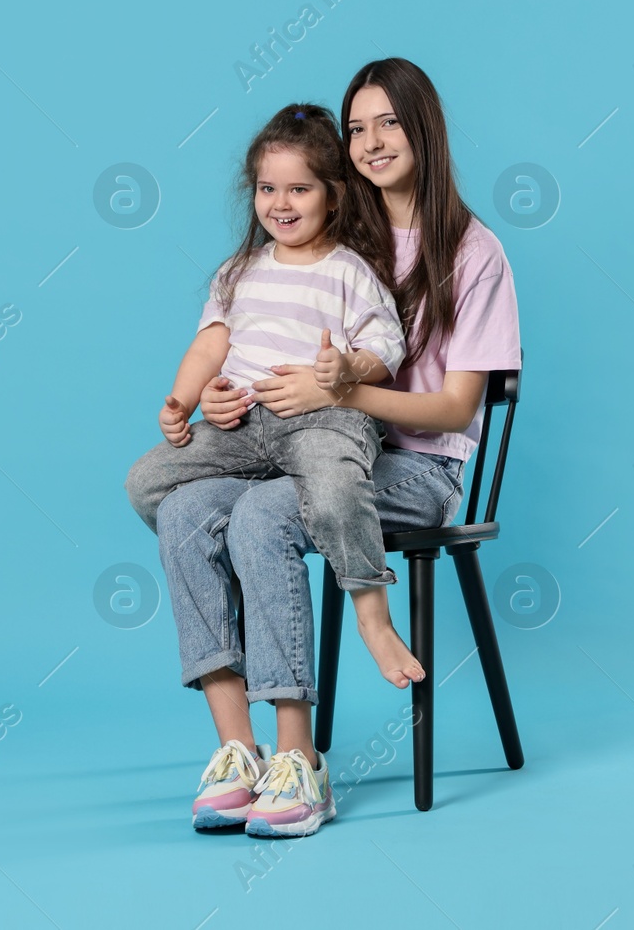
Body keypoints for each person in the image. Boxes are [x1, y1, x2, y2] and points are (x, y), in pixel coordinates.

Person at [149, 58, 521, 839]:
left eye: (389, 122)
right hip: (295, 447)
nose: (371, 140)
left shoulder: (473, 251)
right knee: (183, 507)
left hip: (416, 465)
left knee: (262, 515)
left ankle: (301, 761)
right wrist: (222, 393)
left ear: (426, 127)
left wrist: (339, 392)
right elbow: (248, 334)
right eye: (357, 127)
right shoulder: (336, 230)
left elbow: (456, 405)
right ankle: (237, 751)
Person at [125, 101, 413, 836]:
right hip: (247, 427)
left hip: (322, 418)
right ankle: (239, 750)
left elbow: (388, 344)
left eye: (299, 189)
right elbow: (210, 346)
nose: (280, 204)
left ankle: (372, 613)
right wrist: (190, 399)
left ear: (333, 194)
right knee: (153, 485)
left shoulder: (349, 272)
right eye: (267, 189)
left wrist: (346, 366)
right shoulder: (238, 272)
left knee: (339, 479)